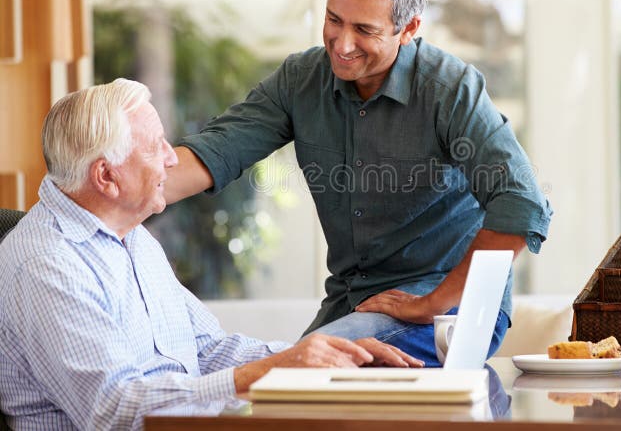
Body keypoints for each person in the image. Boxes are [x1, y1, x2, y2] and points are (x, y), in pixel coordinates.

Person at [167, 0, 553, 366]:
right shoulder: (301, 80)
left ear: (408, 29)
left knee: (297, 374)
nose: (342, 44)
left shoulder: (450, 89)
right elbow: (217, 150)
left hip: (450, 312)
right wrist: (112, 192)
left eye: (365, 30)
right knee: (267, 384)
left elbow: (522, 203)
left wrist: (435, 301)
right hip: (350, 305)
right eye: (334, 19)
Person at [0, 79, 421, 430]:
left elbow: (206, 349)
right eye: (155, 146)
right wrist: (264, 374)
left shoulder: (132, 238)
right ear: (107, 177)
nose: (171, 158)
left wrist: (323, 358)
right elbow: (115, 411)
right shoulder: (46, 264)